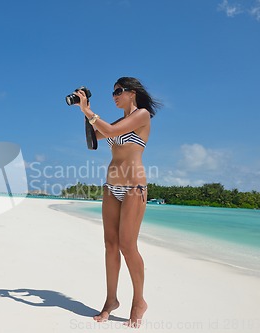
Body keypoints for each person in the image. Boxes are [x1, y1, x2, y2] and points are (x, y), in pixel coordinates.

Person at [74, 77, 161, 328]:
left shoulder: (142, 115)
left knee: (127, 245)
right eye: (113, 92)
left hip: (134, 186)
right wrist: (85, 107)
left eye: (119, 91)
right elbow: (94, 139)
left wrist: (88, 111)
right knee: (110, 245)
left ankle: (139, 302)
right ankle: (110, 301)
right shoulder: (119, 121)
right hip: (111, 188)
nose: (114, 95)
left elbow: (109, 133)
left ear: (132, 93)